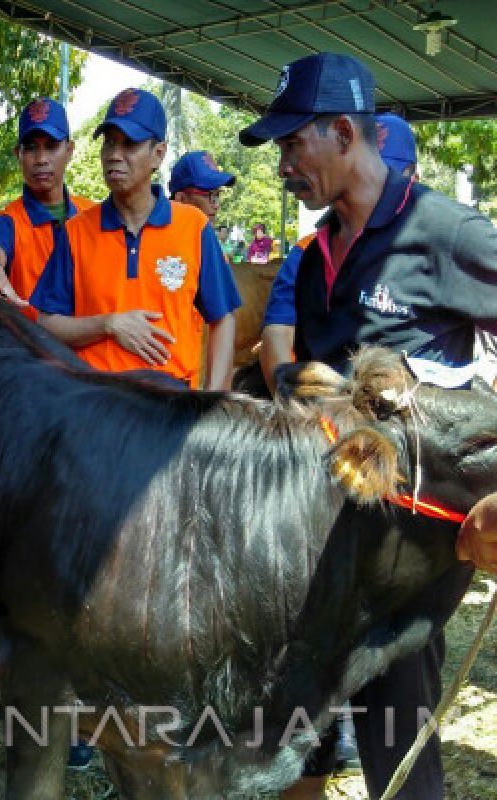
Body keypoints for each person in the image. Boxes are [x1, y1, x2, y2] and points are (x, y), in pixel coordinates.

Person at [240, 51, 497, 800]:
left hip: (403, 575)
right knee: (291, 752)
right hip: (309, 559)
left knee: (399, 761)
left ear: (344, 132)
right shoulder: (316, 253)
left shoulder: (442, 231)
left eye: (294, 143)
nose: (285, 162)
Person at [32, 87, 240, 390]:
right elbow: (46, 323)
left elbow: (223, 318)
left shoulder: (193, 227)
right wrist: (108, 325)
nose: (114, 156)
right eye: (109, 143)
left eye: (129, 144)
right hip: (98, 404)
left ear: (158, 154)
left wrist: (214, 401)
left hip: (172, 409)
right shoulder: (76, 232)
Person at [258, 112, 420, 395]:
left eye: (386, 175)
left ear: (413, 179)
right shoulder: (306, 252)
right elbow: (277, 334)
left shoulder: (442, 248)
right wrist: (297, 415)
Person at [0, 97, 95, 304]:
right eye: (31, 148)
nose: (41, 159)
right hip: (32, 335)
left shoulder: (94, 215)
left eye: (51, 146)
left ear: (69, 151)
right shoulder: (8, 222)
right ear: (19, 154)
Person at [168, 151, 236, 223]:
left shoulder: (204, 232)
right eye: (208, 195)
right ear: (181, 199)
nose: (216, 205)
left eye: (217, 195)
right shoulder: (161, 232)